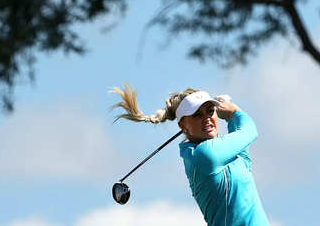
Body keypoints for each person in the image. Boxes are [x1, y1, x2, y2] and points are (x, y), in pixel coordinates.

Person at [111, 85, 270, 226]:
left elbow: (241, 134)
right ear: (183, 125)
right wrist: (234, 111)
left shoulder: (227, 149)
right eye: (197, 115)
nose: (207, 118)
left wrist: (232, 117)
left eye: (210, 111)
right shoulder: (203, 156)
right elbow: (249, 131)